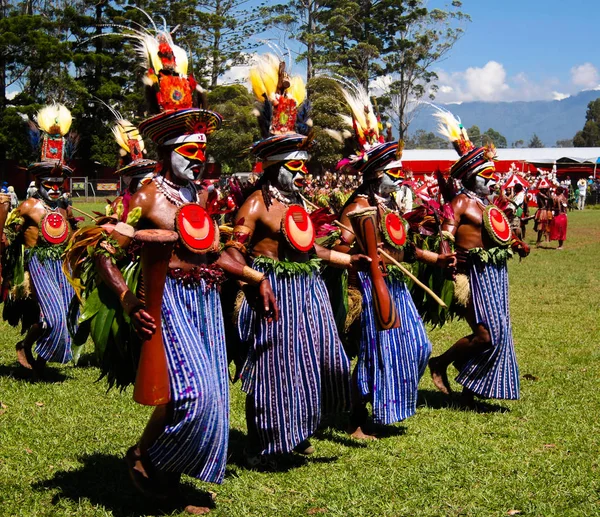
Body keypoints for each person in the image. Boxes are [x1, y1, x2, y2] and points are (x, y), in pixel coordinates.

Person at [75, 26, 278, 513]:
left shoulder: (202, 199)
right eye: (191, 151)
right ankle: (147, 458)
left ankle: (158, 468)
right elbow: (99, 245)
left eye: (202, 150)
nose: (200, 158)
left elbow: (215, 255)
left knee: (197, 398)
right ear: (167, 151)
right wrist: (127, 297)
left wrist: (254, 277)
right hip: (165, 303)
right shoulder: (145, 195)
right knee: (196, 395)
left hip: (205, 304)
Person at [224, 54, 368, 466]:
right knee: (271, 370)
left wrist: (347, 260)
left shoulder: (295, 202)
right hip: (270, 293)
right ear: (273, 165)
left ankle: (298, 429)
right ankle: (261, 445)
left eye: (302, 164)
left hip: (308, 290)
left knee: (322, 360)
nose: (301, 172)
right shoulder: (255, 204)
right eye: (293, 165)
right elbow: (231, 256)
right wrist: (256, 280)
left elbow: (310, 251)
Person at [427, 109, 529, 406]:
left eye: (492, 175)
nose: (492, 181)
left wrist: (516, 243)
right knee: (485, 335)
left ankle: (472, 390)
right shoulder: (460, 202)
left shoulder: (489, 205)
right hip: (471, 274)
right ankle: (440, 363)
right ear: (471, 177)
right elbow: (445, 234)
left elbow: (498, 235)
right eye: (486, 176)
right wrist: (447, 259)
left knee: (498, 332)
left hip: (495, 273)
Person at [3, 103, 79, 378]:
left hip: (63, 264)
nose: (56, 188)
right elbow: (10, 237)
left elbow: (72, 231)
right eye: (51, 183)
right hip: (38, 264)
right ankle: (26, 345)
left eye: (61, 184)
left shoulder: (64, 208)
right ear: (39, 181)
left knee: (69, 315)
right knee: (51, 317)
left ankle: (42, 360)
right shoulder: (27, 207)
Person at [534, 178, 553, 246]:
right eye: (544, 189)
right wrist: (549, 192)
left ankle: (546, 239)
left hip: (545, 211)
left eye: (546, 189)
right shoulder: (540, 194)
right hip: (542, 211)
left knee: (547, 225)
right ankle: (538, 241)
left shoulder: (544, 194)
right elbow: (549, 199)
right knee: (541, 227)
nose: (545, 190)